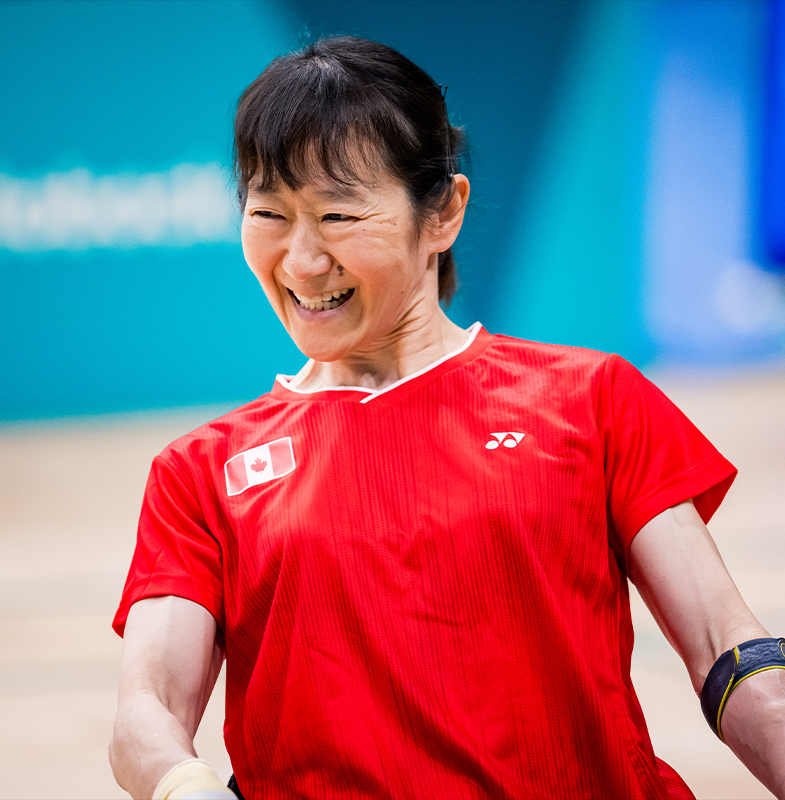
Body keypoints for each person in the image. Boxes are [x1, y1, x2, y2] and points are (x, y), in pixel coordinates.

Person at [109, 36, 785, 800]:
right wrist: (183, 785)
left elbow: (725, 647)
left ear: (444, 214)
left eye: (337, 214)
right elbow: (148, 712)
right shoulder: (199, 473)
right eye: (269, 212)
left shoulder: (590, 398)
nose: (300, 260)